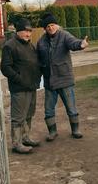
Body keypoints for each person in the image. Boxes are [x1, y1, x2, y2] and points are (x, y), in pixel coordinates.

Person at [37, 13, 88, 141]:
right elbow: (38, 60)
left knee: (71, 107)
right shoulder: (41, 41)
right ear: (45, 28)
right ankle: (52, 132)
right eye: (47, 26)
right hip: (49, 82)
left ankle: (75, 130)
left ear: (57, 25)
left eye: (52, 25)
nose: (50, 28)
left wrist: (81, 44)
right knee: (48, 110)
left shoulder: (64, 35)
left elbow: (73, 43)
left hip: (64, 79)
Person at [0, 18, 41, 154]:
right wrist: (19, 79)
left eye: (30, 31)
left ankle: (25, 137)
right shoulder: (10, 46)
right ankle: (17, 143)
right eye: (25, 31)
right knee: (18, 117)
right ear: (18, 31)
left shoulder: (30, 45)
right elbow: (5, 68)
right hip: (19, 88)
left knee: (29, 114)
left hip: (31, 86)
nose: (28, 34)